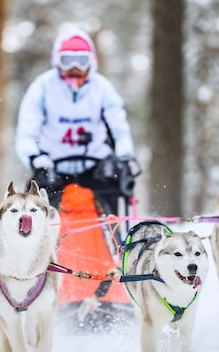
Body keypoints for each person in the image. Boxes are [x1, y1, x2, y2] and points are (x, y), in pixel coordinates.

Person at [15, 29, 136, 215]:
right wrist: (35, 159)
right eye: (67, 60)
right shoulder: (42, 87)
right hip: (52, 167)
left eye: (81, 60)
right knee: (37, 208)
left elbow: (119, 127)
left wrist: (123, 156)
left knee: (112, 186)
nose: (74, 67)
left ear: (92, 61)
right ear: (56, 60)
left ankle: (113, 238)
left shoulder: (102, 88)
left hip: (95, 166)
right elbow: (26, 132)